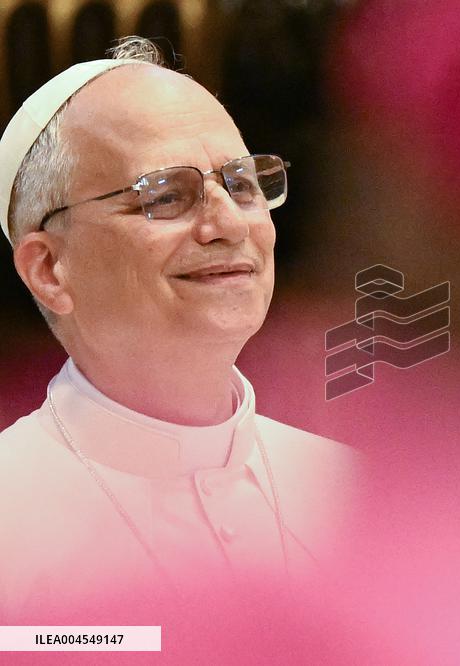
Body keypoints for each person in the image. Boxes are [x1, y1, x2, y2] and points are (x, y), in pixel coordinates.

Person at [0, 37, 356, 621]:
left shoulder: (360, 492)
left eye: (240, 184)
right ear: (49, 268)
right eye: (165, 196)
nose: (226, 224)